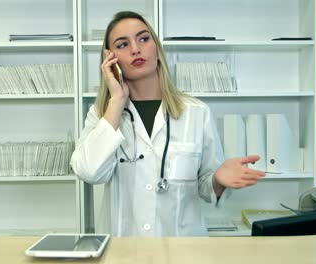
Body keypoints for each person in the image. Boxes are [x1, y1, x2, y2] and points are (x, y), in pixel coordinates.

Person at [70, 11, 265, 237]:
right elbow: (88, 172)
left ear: (157, 49)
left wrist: (218, 179)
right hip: (124, 250)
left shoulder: (196, 113)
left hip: (181, 250)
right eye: (123, 44)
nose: (135, 49)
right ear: (109, 59)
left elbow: (205, 188)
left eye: (143, 39)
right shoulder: (103, 115)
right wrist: (116, 101)